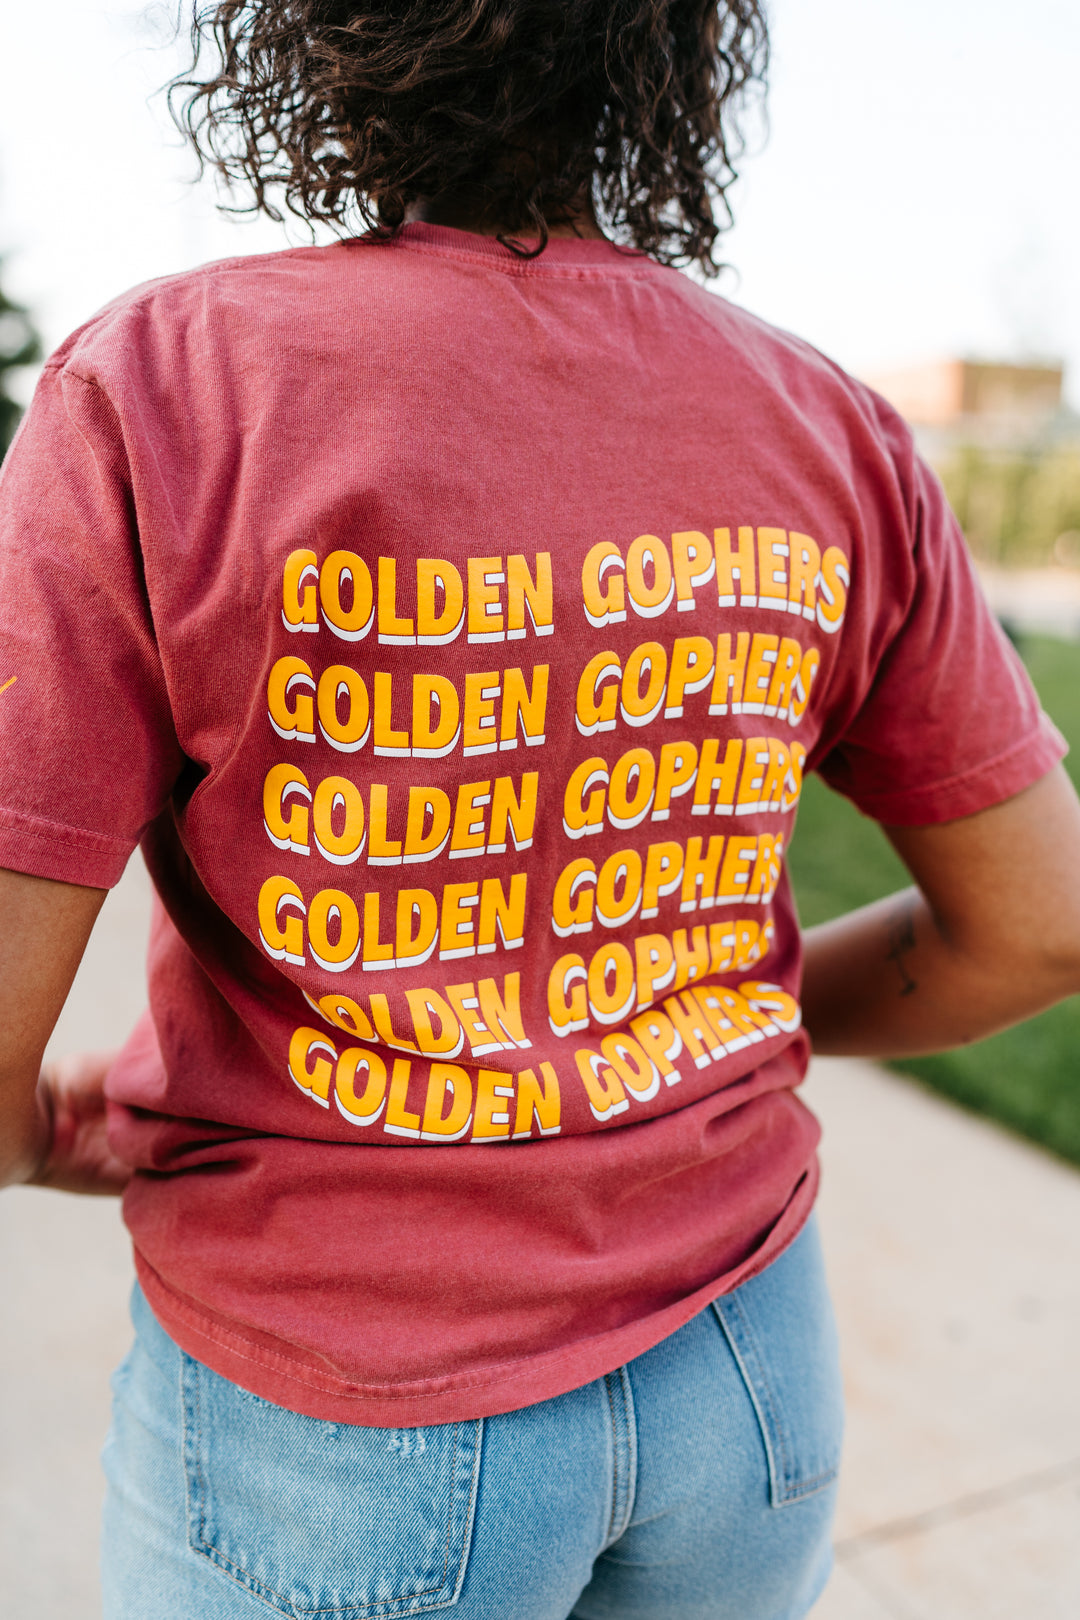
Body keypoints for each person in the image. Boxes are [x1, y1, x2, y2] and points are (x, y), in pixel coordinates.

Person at [2, 3, 1079, 1616]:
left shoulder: (163, 390)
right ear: (670, 62)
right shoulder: (827, 427)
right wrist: (719, 1024)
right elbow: (1042, 929)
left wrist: (44, 1137)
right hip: (748, 1359)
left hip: (343, 1398)